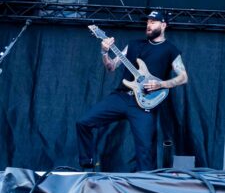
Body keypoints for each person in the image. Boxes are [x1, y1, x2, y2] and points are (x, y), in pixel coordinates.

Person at [76, 10, 188, 171]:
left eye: (153, 22)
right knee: (83, 122)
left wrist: (161, 84)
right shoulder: (134, 45)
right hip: (122, 97)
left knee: (145, 150)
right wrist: (104, 52)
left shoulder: (170, 49)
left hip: (144, 102)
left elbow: (183, 77)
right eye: (147, 22)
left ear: (163, 25)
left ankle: (146, 182)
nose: (148, 25)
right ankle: (87, 161)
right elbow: (111, 67)